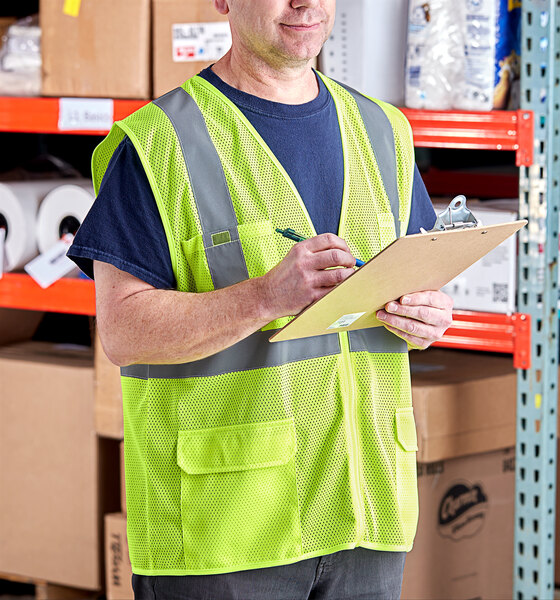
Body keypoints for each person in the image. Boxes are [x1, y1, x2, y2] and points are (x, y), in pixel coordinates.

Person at [68, 1, 453, 598]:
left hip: (366, 512)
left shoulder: (384, 131)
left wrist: (427, 317)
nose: (305, 3)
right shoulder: (160, 142)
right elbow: (122, 331)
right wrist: (263, 296)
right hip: (221, 532)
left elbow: (415, 286)